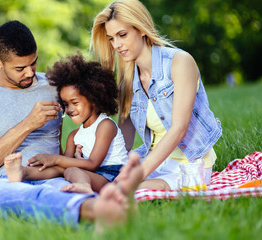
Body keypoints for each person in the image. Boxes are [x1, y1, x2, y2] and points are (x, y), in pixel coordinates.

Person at [0, 20, 143, 229]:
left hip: (53, 176)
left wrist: (75, 159)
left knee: (61, 190)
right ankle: (98, 209)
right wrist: (28, 124)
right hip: (3, 184)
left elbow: (75, 133)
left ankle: (98, 215)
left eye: (33, 63)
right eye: (20, 68)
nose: (29, 72)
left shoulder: (56, 87)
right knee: (21, 195)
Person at [90, 0, 222, 190]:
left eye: (122, 35)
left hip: (190, 164)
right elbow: (123, 141)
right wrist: (100, 161)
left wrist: (138, 174)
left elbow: (179, 129)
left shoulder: (179, 62)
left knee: (121, 190)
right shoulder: (128, 80)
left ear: (141, 29)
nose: (116, 44)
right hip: (153, 161)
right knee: (97, 180)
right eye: (111, 38)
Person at [5, 54, 129, 194]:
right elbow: (64, 164)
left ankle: (83, 187)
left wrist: (55, 158)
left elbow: (93, 164)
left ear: (94, 98)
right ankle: (23, 172)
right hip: (92, 174)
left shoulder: (105, 125)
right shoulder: (73, 136)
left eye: (75, 102)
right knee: (63, 169)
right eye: (65, 104)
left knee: (70, 170)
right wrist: (54, 160)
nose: (69, 109)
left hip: (113, 177)